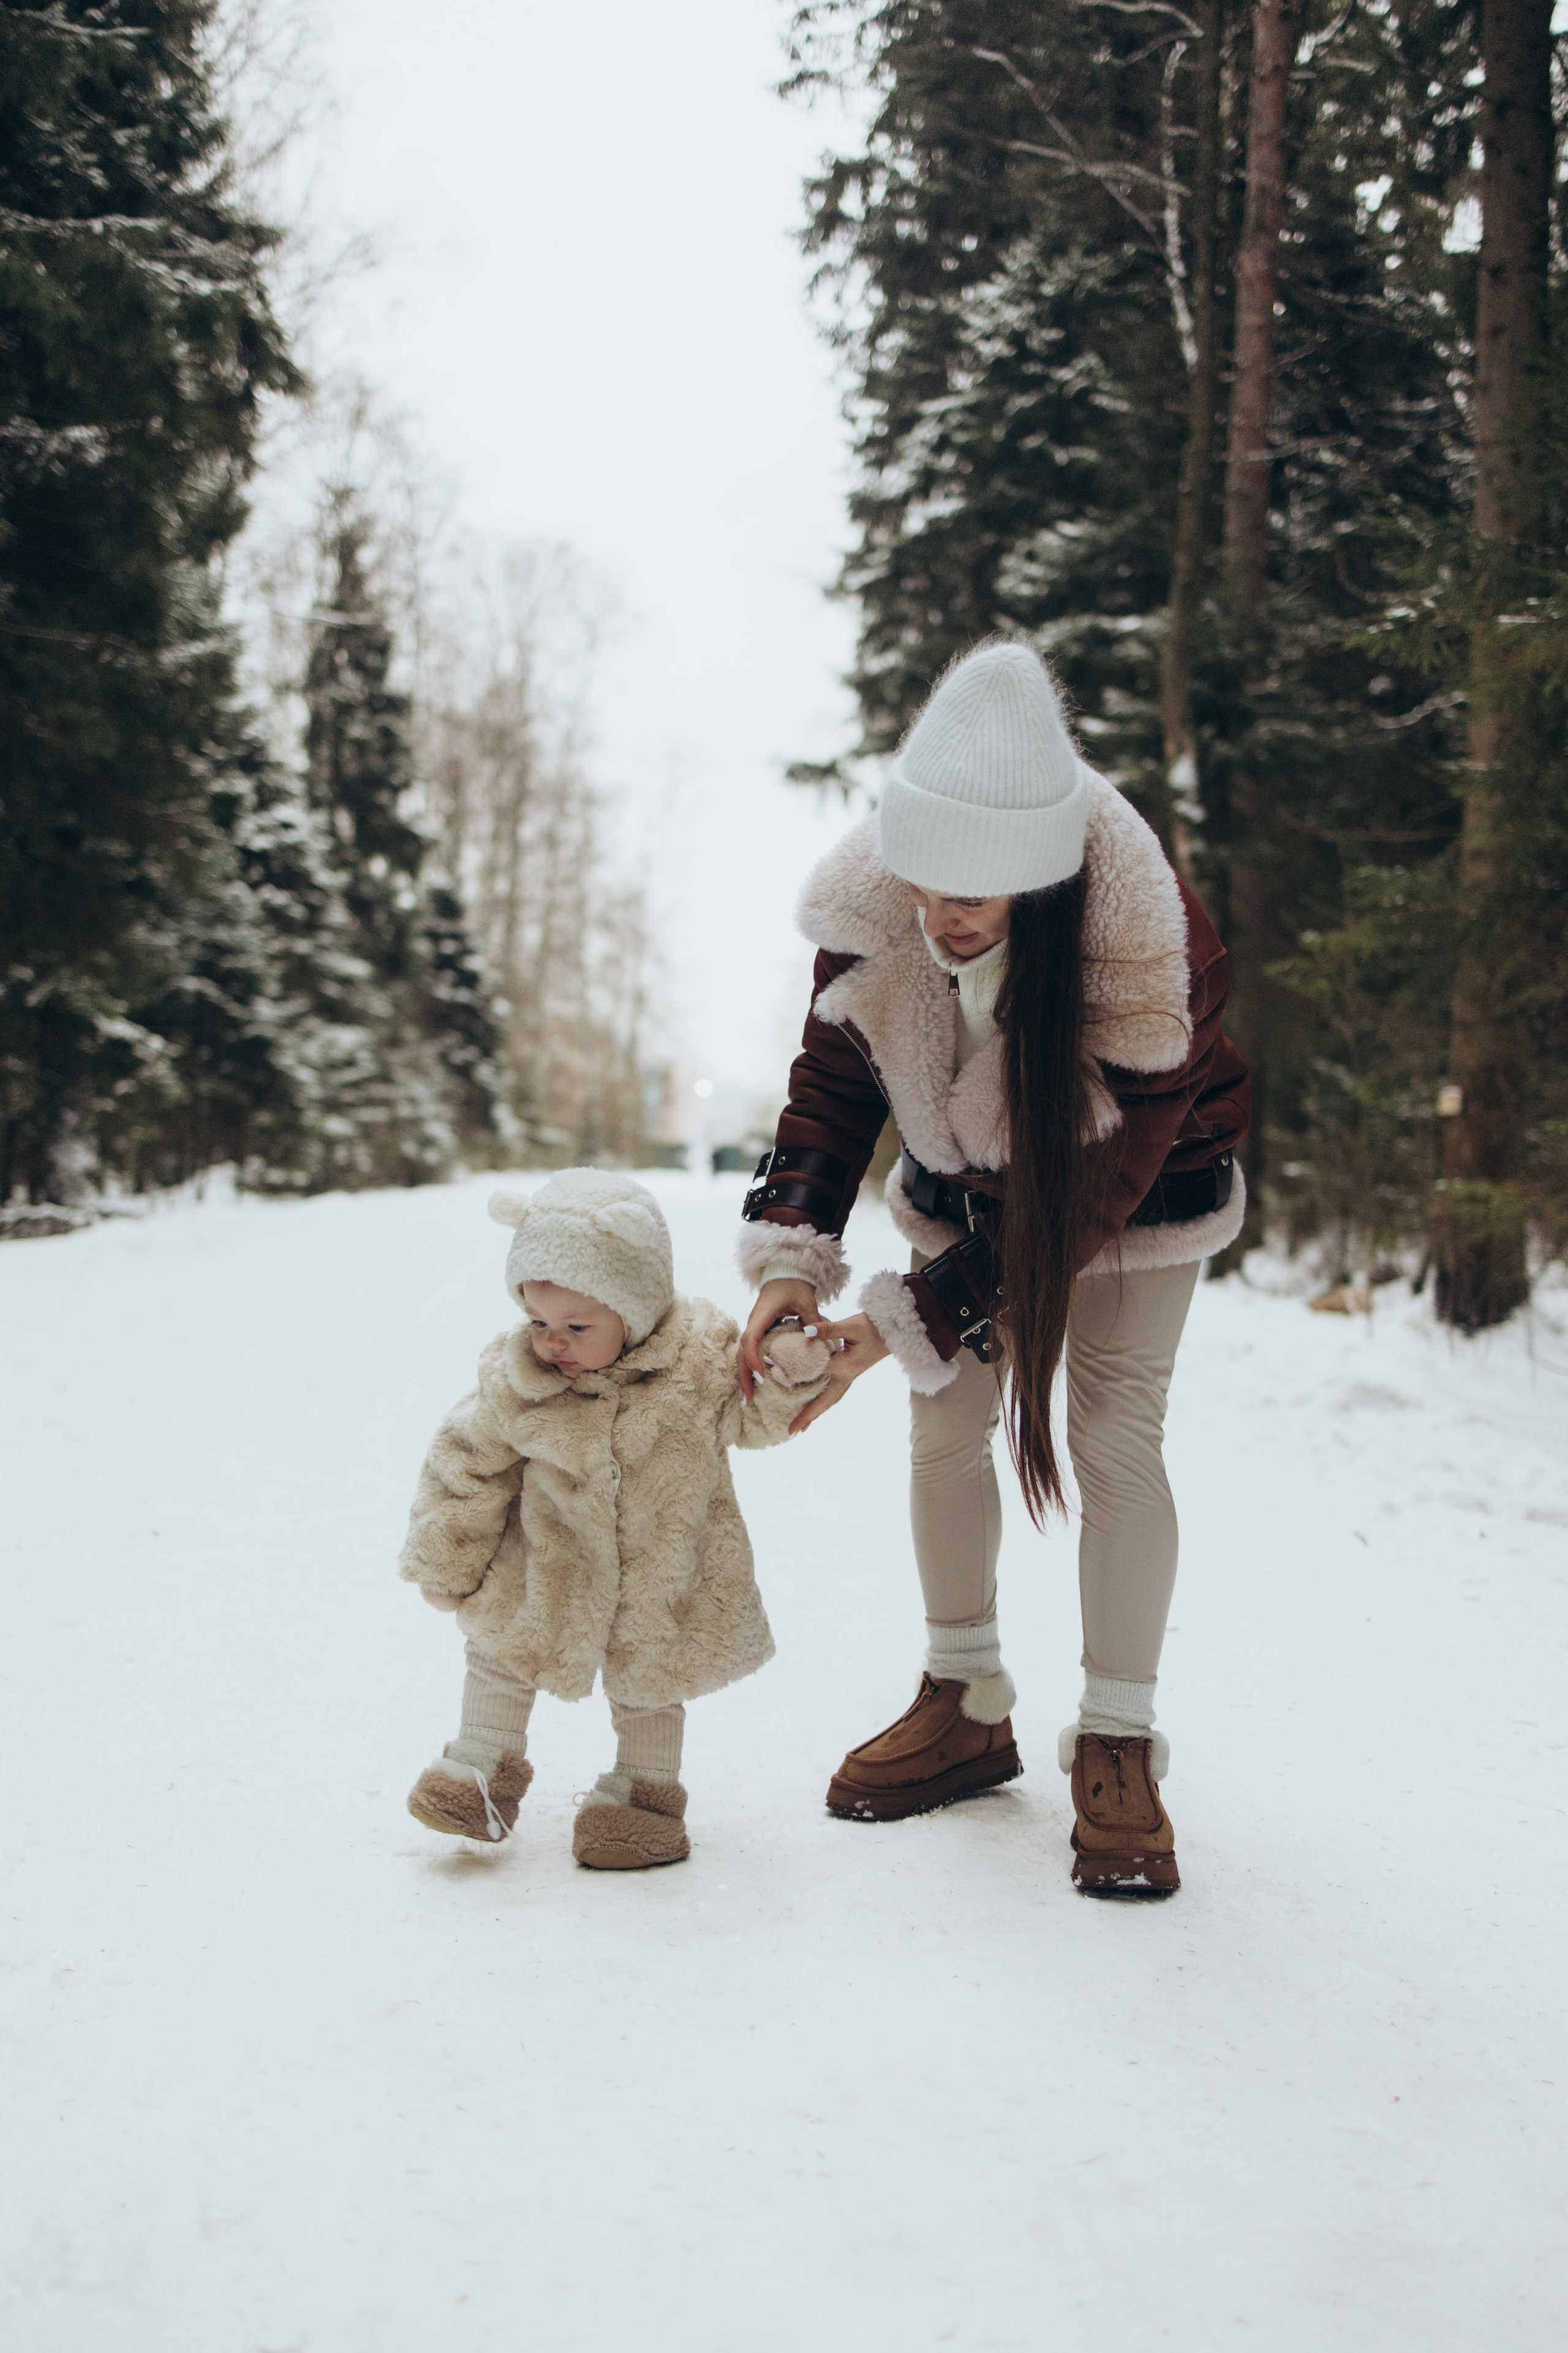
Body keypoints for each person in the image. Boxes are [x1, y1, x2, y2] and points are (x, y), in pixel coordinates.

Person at [736, 641, 1250, 1895]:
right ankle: (962, 1699)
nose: (945, 912)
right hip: (957, 1178)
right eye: (929, 879)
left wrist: (902, 1318)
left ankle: (1118, 1739)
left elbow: (1080, 1196)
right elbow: (831, 1089)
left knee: (1114, 1436)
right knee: (939, 1426)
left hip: (1134, 1196)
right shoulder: (872, 909)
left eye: (983, 887)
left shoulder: (1144, 937)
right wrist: (792, 1264)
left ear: (1049, 868)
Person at [401, 1168, 827, 1870]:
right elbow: (464, 1461)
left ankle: (643, 1798)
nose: (552, 1343)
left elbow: (755, 1416)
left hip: (664, 1565)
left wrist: (788, 1370)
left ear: (636, 1309)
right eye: (538, 1321)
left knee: (650, 1680)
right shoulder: (520, 1380)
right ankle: (479, 1770)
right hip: (545, 1560)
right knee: (502, 1645)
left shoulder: (698, 1364)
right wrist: (448, 1558)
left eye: (575, 1326)